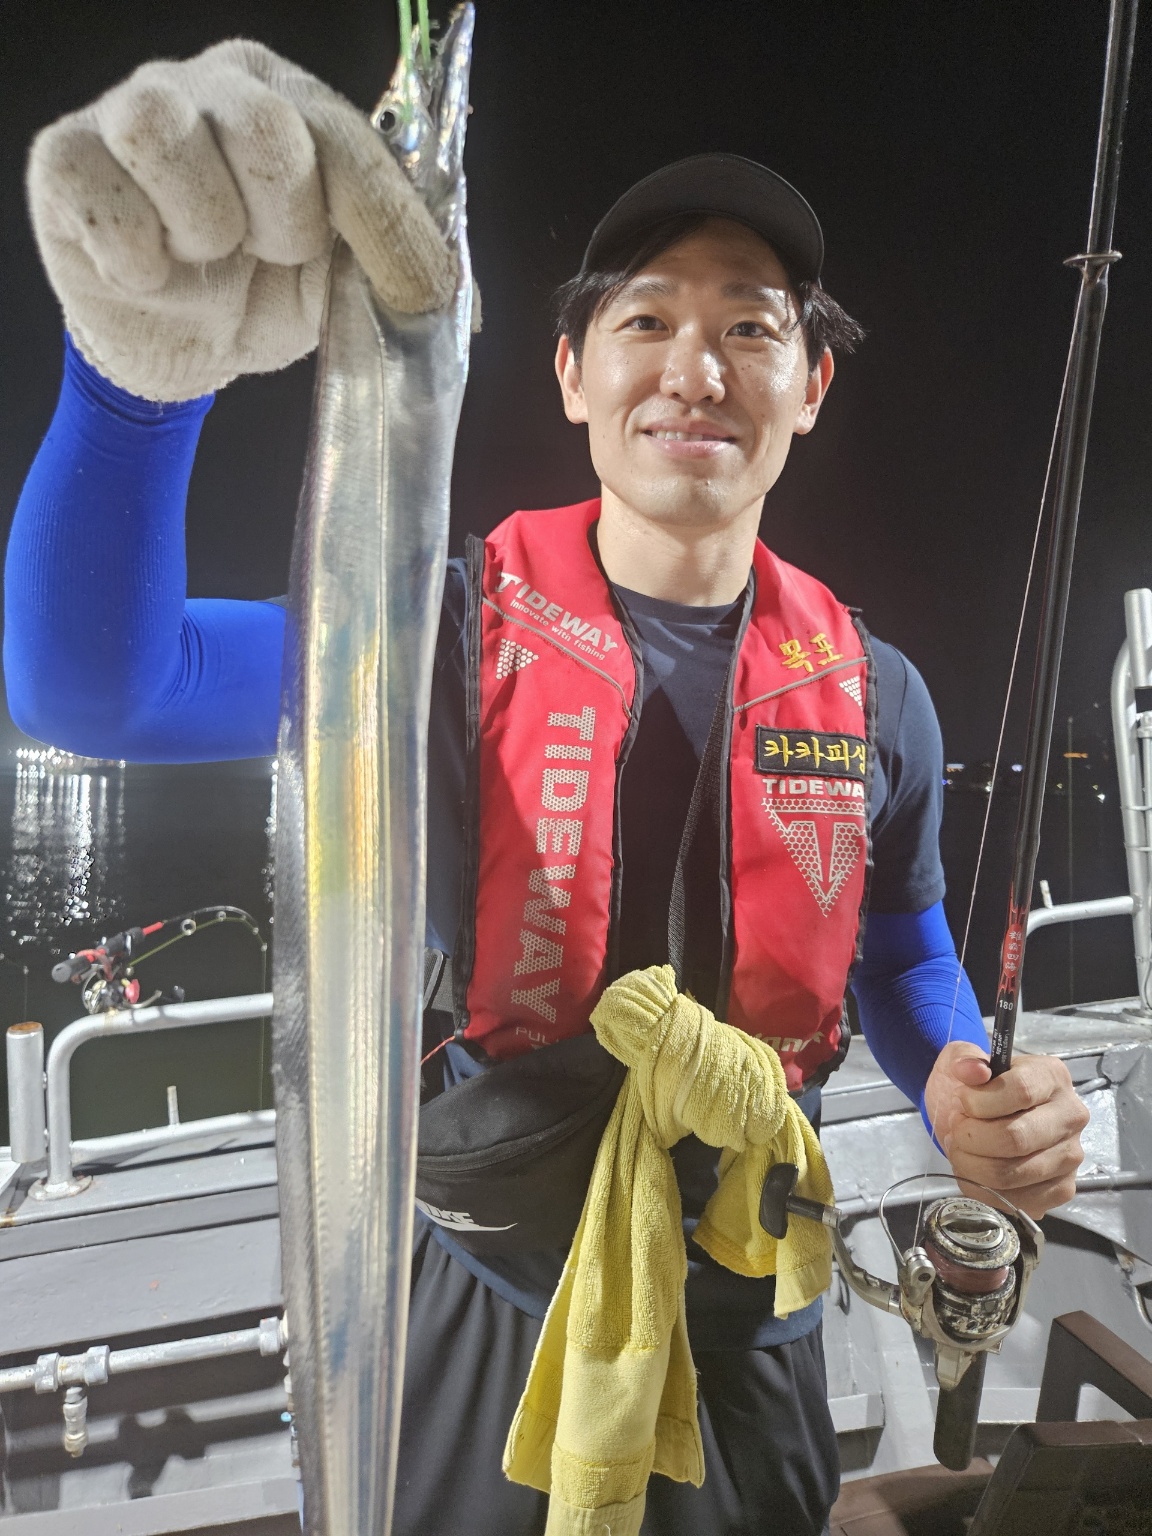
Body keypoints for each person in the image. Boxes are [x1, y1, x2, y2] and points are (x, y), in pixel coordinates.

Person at [5, 42, 1090, 1536]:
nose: (696, 370)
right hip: (486, 1294)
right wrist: (134, 382)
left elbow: (899, 951)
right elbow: (100, 684)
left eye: (751, 328)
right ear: (573, 373)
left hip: (754, 1310)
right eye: (646, 320)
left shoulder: (876, 692)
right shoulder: (434, 639)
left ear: (811, 386)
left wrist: (961, 1077)